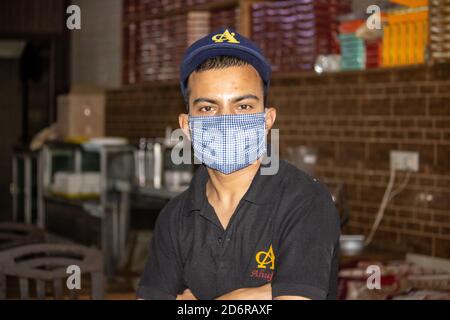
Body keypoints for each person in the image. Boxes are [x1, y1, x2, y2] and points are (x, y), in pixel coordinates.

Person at [137, 28, 340, 300]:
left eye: (242, 107)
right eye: (208, 108)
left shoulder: (306, 201)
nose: (225, 122)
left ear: (267, 120)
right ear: (187, 126)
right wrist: (260, 295)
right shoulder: (174, 217)